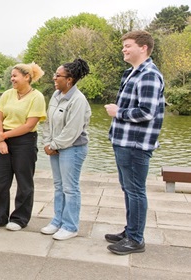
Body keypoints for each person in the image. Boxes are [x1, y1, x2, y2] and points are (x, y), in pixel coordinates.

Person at [104, 30, 165, 255]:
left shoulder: (148, 74)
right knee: (128, 189)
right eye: (124, 46)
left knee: (136, 190)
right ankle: (130, 231)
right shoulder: (132, 73)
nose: (124, 49)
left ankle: (136, 239)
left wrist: (118, 112)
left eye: (128, 45)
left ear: (143, 48)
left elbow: (147, 112)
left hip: (136, 144)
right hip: (123, 141)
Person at [0, 62, 46, 231]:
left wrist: (4, 136)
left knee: (24, 181)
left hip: (25, 141)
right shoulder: (7, 95)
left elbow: (28, 125)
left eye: (15, 75)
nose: (12, 79)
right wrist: (1, 140)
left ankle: (19, 218)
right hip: (3, 138)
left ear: (27, 77)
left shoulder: (37, 97)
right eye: (11, 76)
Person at [40, 59, 91, 240]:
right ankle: (57, 221)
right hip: (55, 147)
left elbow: (72, 131)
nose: (54, 78)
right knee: (59, 186)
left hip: (73, 149)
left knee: (70, 188)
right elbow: (48, 122)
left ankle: (70, 226)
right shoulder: (56, 95)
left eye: (57, 75)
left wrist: (53, 145)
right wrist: (47, 142)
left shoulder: (78, 100)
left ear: (69, 79)